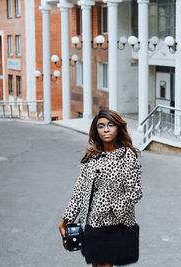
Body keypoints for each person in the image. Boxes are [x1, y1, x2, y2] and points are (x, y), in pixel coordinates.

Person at [59, 109, 142, 267]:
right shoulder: (92, 156)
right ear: (96, 130)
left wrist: (109, 207)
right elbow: (79, 193)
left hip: (113, 226)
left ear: (118, 128)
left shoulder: (127, 156)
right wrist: (66, 219)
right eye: (101, 126)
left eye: (111, 125)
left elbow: (135, 192)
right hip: (90, 226)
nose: (106, 129)